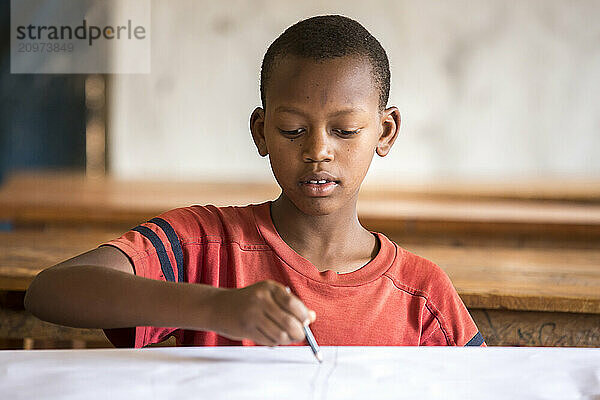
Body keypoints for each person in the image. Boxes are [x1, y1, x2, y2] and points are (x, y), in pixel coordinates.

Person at [25, 15, 486, 348]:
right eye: (292, 130)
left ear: (385, 132)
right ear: (261, 132)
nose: (318, 150)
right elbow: (52, 290)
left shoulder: (421, 295)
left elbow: (485, 386)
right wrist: (216, 309)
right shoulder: (204, 245)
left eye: (344, 131)